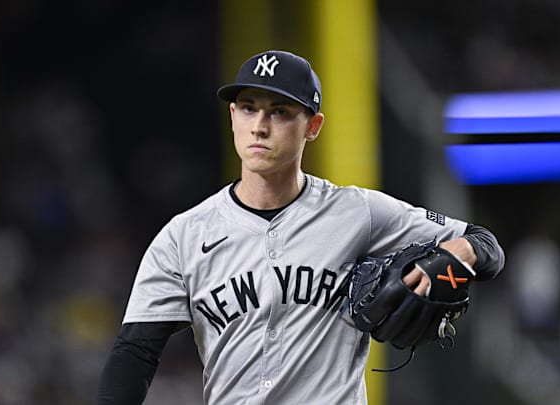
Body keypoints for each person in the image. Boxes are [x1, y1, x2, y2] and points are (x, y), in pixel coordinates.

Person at [97, 50, 505, 404]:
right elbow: (135, 352)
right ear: (233, 116)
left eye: (280, 112)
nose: (260, 125)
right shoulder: (183, 236)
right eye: (249, 107)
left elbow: (485, 244)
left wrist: (460, 253)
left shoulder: (356, 212)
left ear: (312, 126)